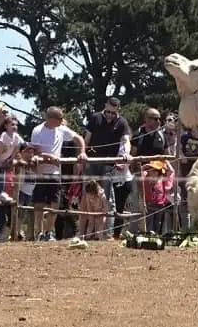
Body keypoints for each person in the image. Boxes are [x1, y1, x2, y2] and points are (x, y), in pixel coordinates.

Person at [30, 106, 87, 242]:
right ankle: (40, 232)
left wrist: (82, 151)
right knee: (39, 204)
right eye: (59, 119)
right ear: (50, 119)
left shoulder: (61, 129)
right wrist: (49, 156)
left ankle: (49, 232)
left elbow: (78, 138)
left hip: (56, 173)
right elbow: (34, 152)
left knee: (55, 203)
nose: (62, 121)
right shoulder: (37, 130)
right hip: (41, 173)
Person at [83, 97, 133, 238]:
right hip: (92, 162)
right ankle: (86, 233)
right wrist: (82, 155)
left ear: (118, 110)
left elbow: (126, 140)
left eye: (113, 113)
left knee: (106, 200)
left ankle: (107, 233)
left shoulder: (122, 122)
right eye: (108, 112)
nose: (110, 115)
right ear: (105, 106)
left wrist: (126, 154)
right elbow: (87, 138)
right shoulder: (95, 118)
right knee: (87, 197)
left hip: (108, 165)